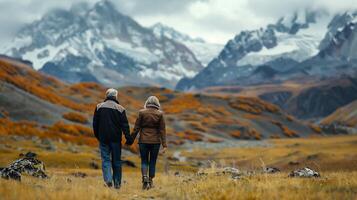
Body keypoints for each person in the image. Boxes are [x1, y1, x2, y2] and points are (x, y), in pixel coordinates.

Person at [93, 88, 132, 189]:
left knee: (105, 160)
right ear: (116, 96)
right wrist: (128, 138)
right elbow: (125, 126)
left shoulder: (99, 107)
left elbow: (95, 124)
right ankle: (117, 184)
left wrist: (98, 136)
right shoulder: (120, 109)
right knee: (117, 162)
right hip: (115, 140)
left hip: (103, 139)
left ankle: (108, 180)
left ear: (106, 96)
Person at [131, 96, 167, 190]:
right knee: (152, 162)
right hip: (155, 142)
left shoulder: (141, 112)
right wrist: (164, 145)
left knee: (144, 161)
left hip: (143, 141)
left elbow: (136, 128)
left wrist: (130, 140)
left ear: (147, 102)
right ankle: (150, 181)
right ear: (157, 103)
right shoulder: (160, 114)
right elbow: (162, 130)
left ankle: (144, 178)